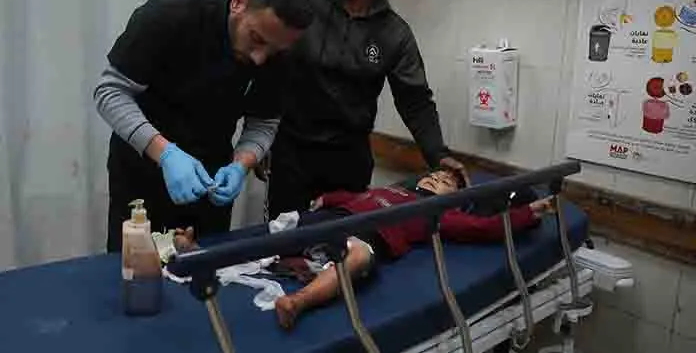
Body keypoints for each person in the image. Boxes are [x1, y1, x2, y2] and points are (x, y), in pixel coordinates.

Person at [94, 0, 316, 252]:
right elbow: (110, 92)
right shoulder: (170, 15)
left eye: (273, 50)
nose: (260, 58)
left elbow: (264, 121)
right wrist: (166, 154)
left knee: (206, 268)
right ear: (238, 1)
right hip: (141, 174)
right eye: (256, 39)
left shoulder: (282, 49)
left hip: (211, 182)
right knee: (137, 269)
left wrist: (241, 164)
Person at [172, 167, 554, 330]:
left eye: (444, 183)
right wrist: (328, 198)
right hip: (338, 217)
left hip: (372, 236)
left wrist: (529, 213)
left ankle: (297, 303)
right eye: (433, 175)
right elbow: (355, 196)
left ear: (452, 198)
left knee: (357, 258)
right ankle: (200, 254)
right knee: (276, 238)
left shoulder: (437, 213)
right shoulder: (393, 190)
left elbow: (483, 228)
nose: (435, 180)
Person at [265, 0, 465, 220]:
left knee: (342, 243)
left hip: (348, 163)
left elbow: (415, 101)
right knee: (283, 242)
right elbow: (267, 63)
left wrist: (438, 154)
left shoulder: (394, 33)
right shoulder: (305, 3)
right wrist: (260, 140)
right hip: (291, 154)